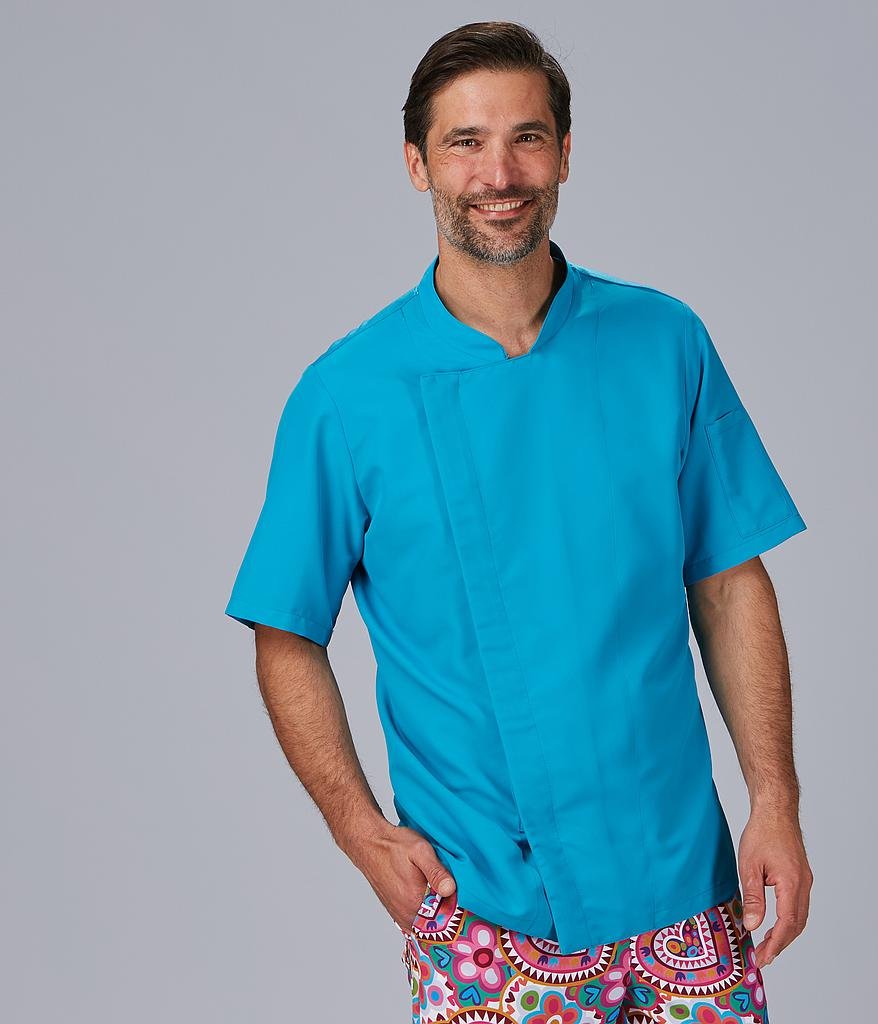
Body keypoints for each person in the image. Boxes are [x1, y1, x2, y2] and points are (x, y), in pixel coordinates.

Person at [224, 20, 812, 1023]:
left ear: (565, 153)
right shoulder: (347, 395)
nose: (499, 173)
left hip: (686, 887)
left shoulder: (663, 341)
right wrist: (360, 832)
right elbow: (284, 631)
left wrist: (776, 801)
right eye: (465, 142)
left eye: (526, 137)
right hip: (487, 911)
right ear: (417, 163)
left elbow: (728, 582)